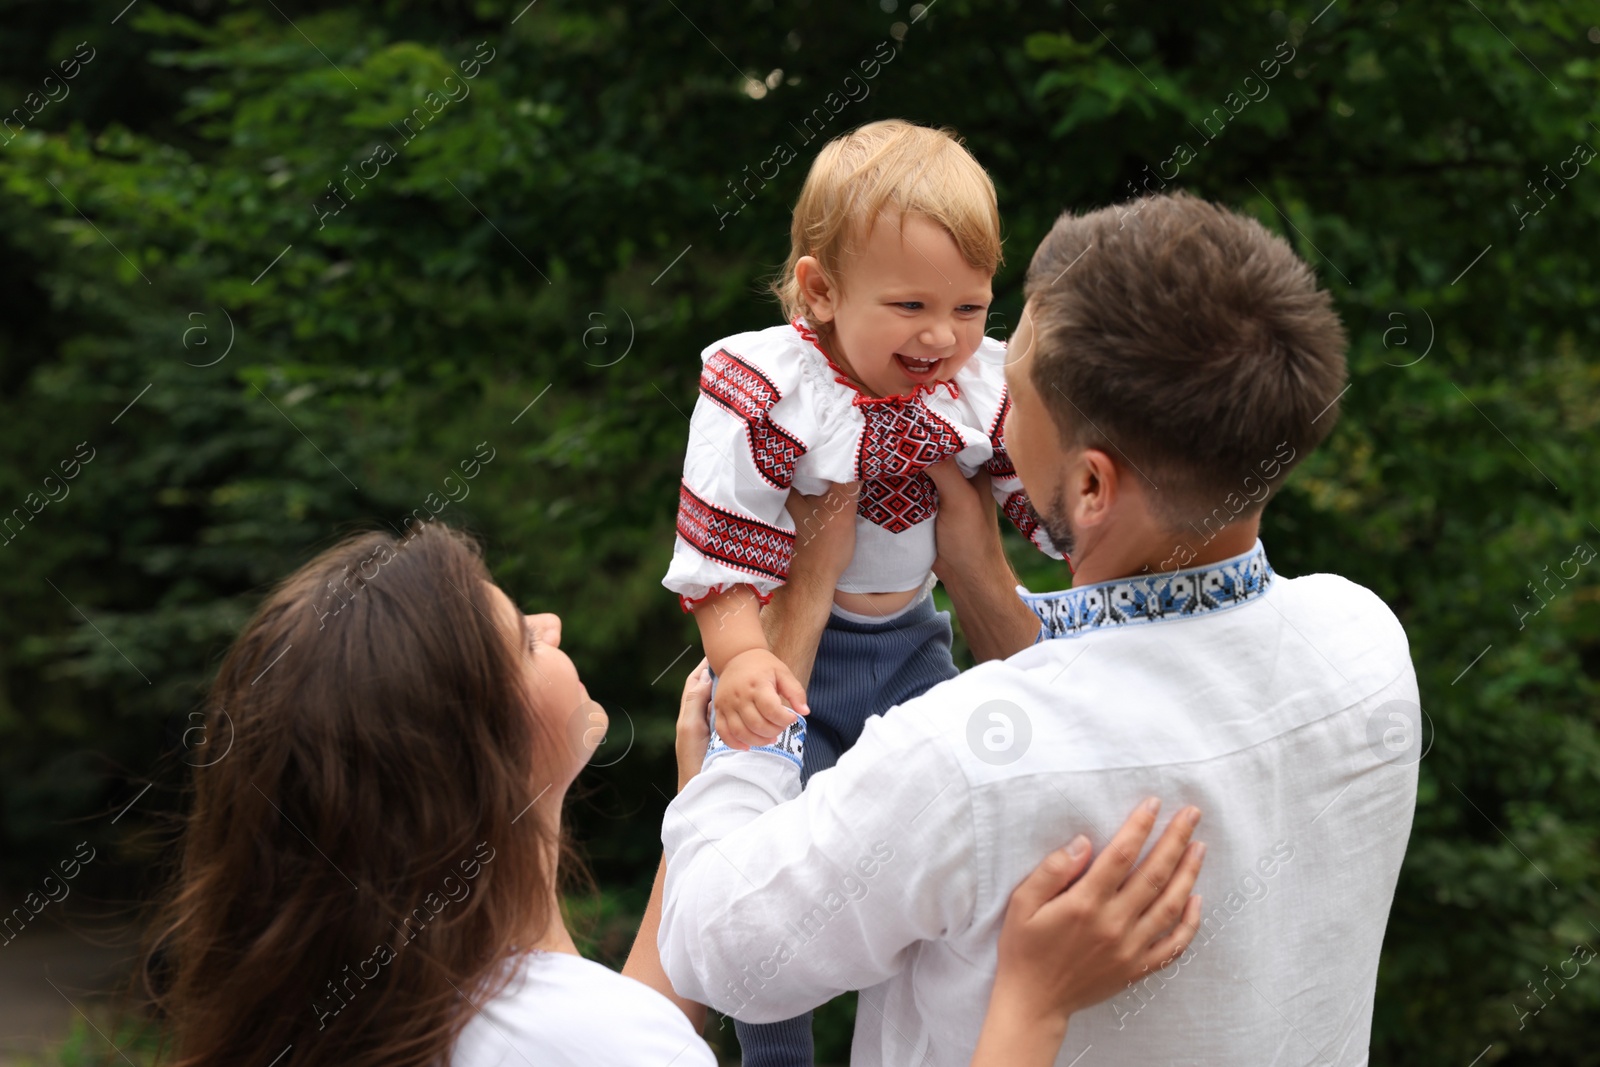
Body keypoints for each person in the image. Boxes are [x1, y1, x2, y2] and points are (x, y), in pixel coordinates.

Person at [657, 192, 1421, 1065]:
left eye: (1010, 399)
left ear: (1091, 487)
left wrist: (744, 743)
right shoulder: (1366, 644)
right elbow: (1112, 672)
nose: (984, 419)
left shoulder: (957, 760)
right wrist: (981, 574)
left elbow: (720, 952)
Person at [138, 519, 1204, 1067]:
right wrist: (1033, 1001)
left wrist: (706, 807)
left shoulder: (410, 1004)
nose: (550, 624)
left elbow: (610, 1020)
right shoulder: (583, 1042)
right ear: (479, 750)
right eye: (520, 635)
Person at [665, 120, 1056, 1060]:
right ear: (821, 290)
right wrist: (742, 656)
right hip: (798, 656)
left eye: (970, 306)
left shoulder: (975, 383)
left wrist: (1051, 538)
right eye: (912, 303)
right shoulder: (768, 386)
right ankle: (775, 1052)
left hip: (918, 644)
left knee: (943, 843)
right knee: (762, 860)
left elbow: (1037, 497)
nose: (942, 335)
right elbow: (721, 534)